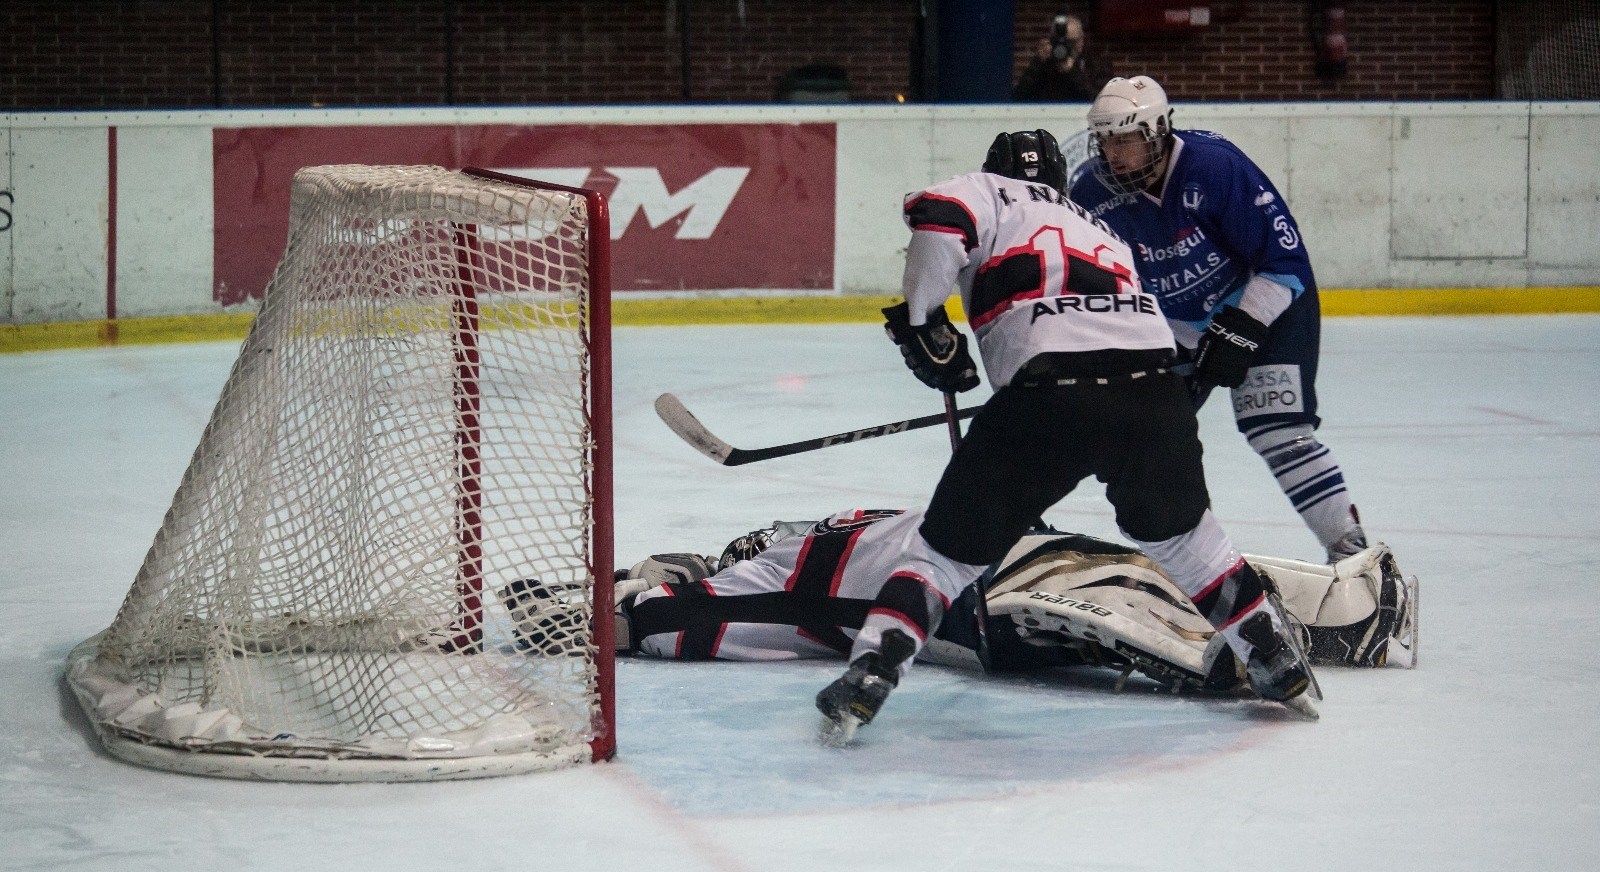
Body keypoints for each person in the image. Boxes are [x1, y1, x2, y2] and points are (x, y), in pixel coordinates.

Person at [792, 130, 1323, 744]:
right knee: (1190, 544)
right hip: (1152, 393)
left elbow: (939, 219)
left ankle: (871, 670)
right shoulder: (1105, 231)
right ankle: (1276, 660)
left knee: (943, 556)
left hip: (1047, 396)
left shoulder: (989, 191)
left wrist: (922, 322)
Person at [501, 509, 1417, 694]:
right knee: (1134, 592)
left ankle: (1347, 607)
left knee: (1142, 576)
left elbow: (675, 609)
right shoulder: (782, 575)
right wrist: (611, 618)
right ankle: (1300, 629)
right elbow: (679, 618)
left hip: (1014, 563)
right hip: (997, 593)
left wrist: (616, 614)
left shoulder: (788, 561)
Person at [1069, 75, 1370, 564]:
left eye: (1124, 138)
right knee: (1149, 441)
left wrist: (1240, 329)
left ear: (1157, 131)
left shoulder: (1214, 167)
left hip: (1267, 311)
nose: (1112, 152)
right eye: (1104, 139)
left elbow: (1282, 262)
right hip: (1177, 329)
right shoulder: (1090, 193)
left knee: (1276, 428)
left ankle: (1349, 551)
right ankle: (1194, 563)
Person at [1013, 14, 1110, 101]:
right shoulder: (1044, 64)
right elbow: (1019, 98)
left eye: (1071, 42)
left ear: (1081, 40)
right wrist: (1037, 63)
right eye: (1061, 42)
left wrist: (1073, 72)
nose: (1066, 47)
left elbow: (1101, 101)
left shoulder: (1097, 64)